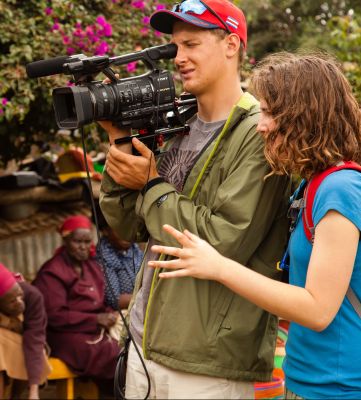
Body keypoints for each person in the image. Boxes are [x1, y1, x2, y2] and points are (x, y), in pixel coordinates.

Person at [100, 0, 290, 398]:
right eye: (175, 48)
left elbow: (224, 238)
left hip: (205, 361)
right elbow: (130, 226)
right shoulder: (178, 126)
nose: (179, 58)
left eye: (191, 45)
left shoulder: (260, 133)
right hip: (143, 341)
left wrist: (152, 184)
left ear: (231, 44)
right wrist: (122, 144)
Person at [148, 52, 361, 399]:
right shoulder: (311, 184)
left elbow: (318, 309)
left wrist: (219, 267)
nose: (260, 125)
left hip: (340, 388)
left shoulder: (340, 189)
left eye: (268, 112)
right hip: (307, 380)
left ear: (303, 115)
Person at [33, 215, 120, 382]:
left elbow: (101, 301)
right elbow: (54, 315)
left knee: (127, 346)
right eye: (77, 242)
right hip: (63, 334)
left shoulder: (92, 266)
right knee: (111, 353)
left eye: (87, 242)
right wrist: (95, 319)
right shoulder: (52, 272)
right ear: (65, 241)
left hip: (93, 329)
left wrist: (109, 314)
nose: (83, 247)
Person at [0, 263, 51, 400]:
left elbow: (34, 342)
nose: (19, 302)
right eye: (12, 301)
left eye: (19, 295)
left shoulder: (32, 296)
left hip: (27, 346)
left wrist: (33, 393)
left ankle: (16, 395)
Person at [97, 214, 143, 311]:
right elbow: (115, 300)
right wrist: (146, 297)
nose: (126, 235)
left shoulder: (135, 249)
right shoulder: (103, 256)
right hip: (120, 313)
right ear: (105, 231)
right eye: (120, 230)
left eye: (128, 230)